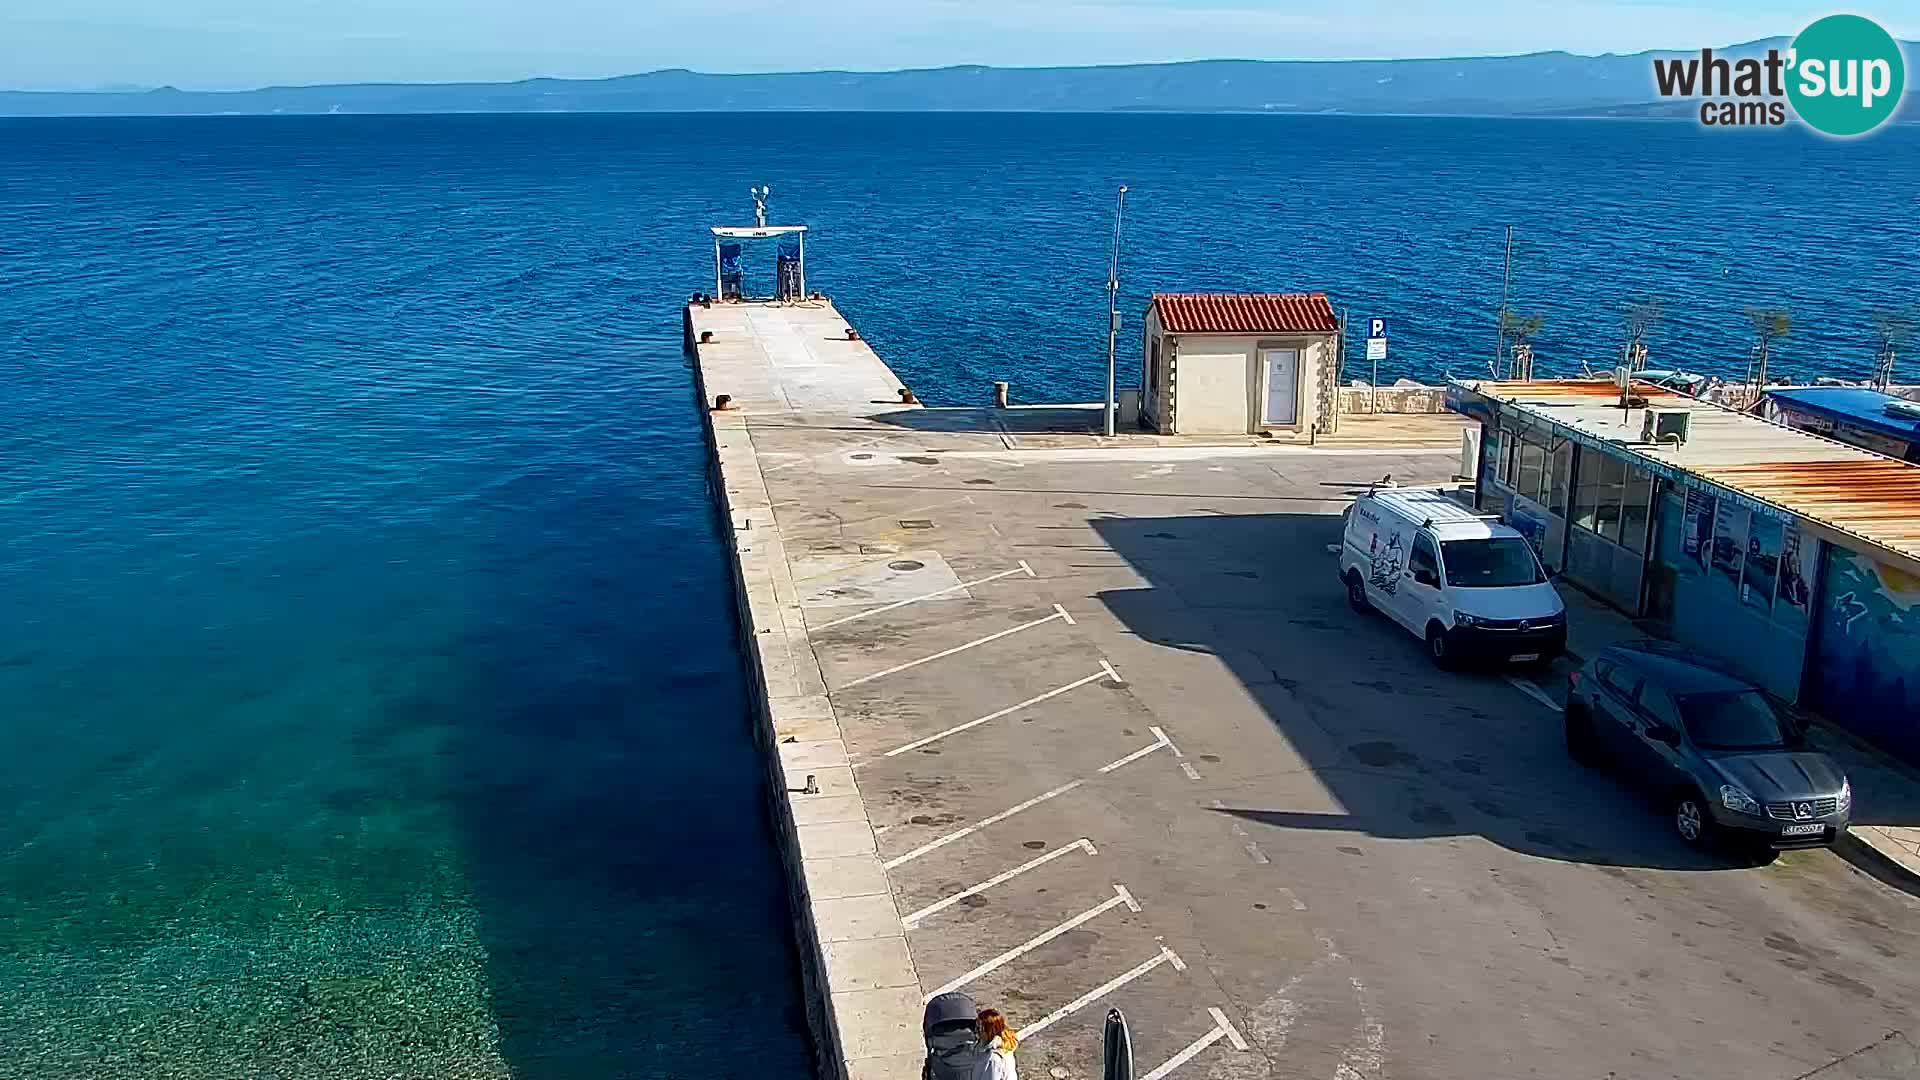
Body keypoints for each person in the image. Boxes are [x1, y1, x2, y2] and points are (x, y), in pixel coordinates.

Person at [977, 1008, 1018, 1080]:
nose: (976, 1031)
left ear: (990, 1031)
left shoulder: (993, 1058)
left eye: (979, 1028)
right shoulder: (1004, 1044)